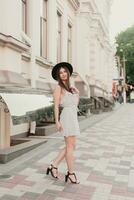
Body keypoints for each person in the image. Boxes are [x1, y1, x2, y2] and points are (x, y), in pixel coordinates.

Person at [46, 62, 80, 184]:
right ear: (58, 76)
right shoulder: (58, 88)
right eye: (61, 73)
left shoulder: (70, 88)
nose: (63, 74)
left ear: (68, 73)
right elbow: (55, 106)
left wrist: (78, 93)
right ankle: (71, 173)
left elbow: (75, 105)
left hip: (73, 116)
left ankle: (54, 165)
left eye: (65, 71)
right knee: (70, 147)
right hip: (66, 117)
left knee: (71, 146)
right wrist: (57, 121)